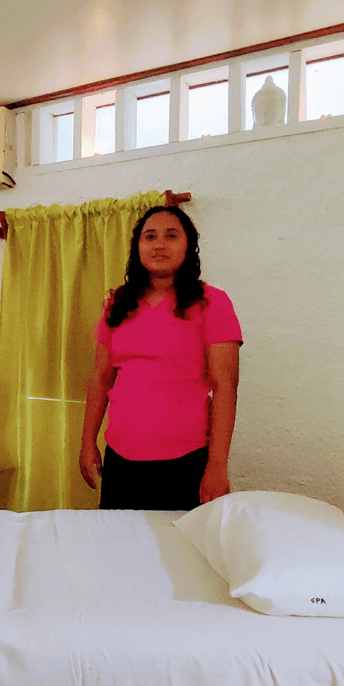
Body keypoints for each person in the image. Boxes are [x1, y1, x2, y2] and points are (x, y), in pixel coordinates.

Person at [79, 206, 242, 511]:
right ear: (137, 246)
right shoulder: (117, 304)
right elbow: (101, 378)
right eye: (149, 236)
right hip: (121, 460)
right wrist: (88, 442)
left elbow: (226, 385)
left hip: (185, 462)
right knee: (120, 549)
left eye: (171, 235)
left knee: (178, 554)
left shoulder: (212, 303)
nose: (159, 244)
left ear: (188, 245)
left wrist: (217, 467)